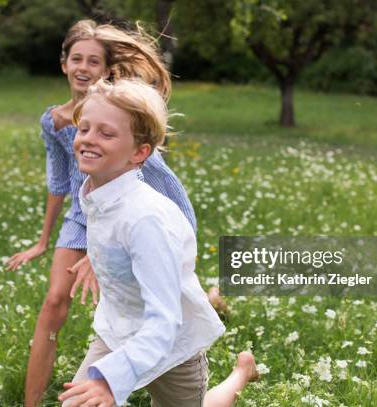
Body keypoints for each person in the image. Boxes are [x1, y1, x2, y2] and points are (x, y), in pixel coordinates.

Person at [4, 19, 199, 407]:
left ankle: (234, 369)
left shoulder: (129, 136)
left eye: (93, 61)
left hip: (163, 325)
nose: (83, 67)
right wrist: (45, 241)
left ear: (106, 70)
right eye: (76, 58)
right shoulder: (56, 123)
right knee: (55, 300)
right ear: (63, 64)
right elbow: (60, 183)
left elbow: (173, 205)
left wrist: (105, 256)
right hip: (89, 223)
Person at [58, 78, 257, 407]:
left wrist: (111, 380)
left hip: (171, 345)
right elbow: (114, 233)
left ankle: (241, 373)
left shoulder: (146, 219)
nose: (89, 139)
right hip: (119, 330)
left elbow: (164, 320)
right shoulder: (99, 190)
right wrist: (102, 259)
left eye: (106, 133)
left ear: (139, 152)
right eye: (85, 128)